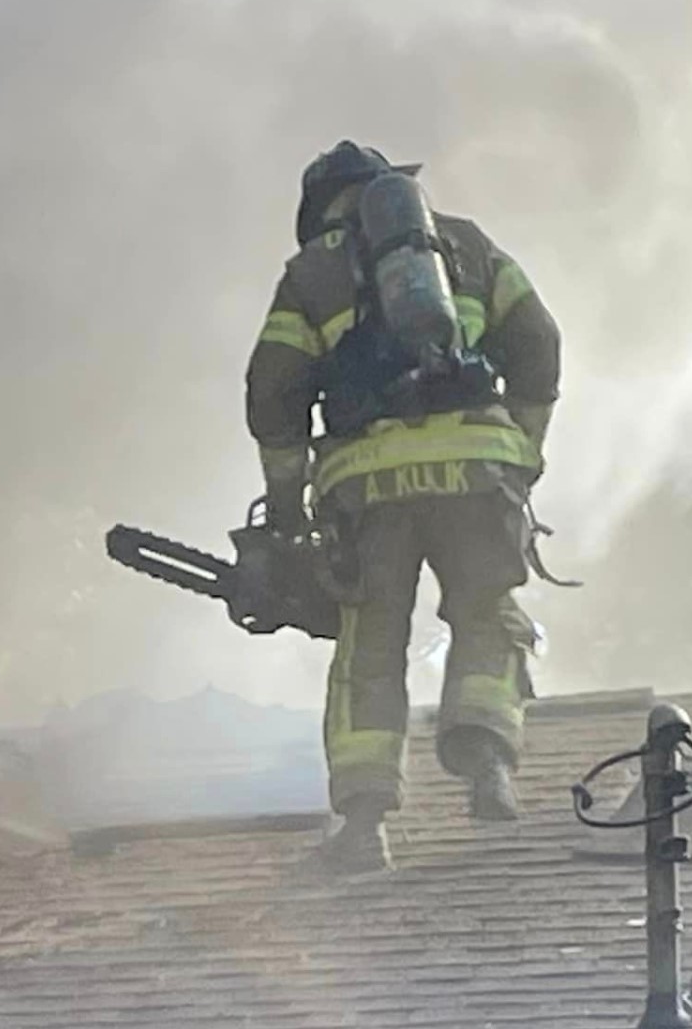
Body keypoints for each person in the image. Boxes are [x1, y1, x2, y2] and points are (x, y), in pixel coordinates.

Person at [244, 142, 562, 872]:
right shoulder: (469, 245)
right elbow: (539, 342)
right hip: (481, 472)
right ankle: (489, 764)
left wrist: (286, 506)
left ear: (320, 207)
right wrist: (525, 450)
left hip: (368, 484)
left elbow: (273, 391)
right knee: (487, 614)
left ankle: (363, 823)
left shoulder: (312, 271)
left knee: (370, 644)